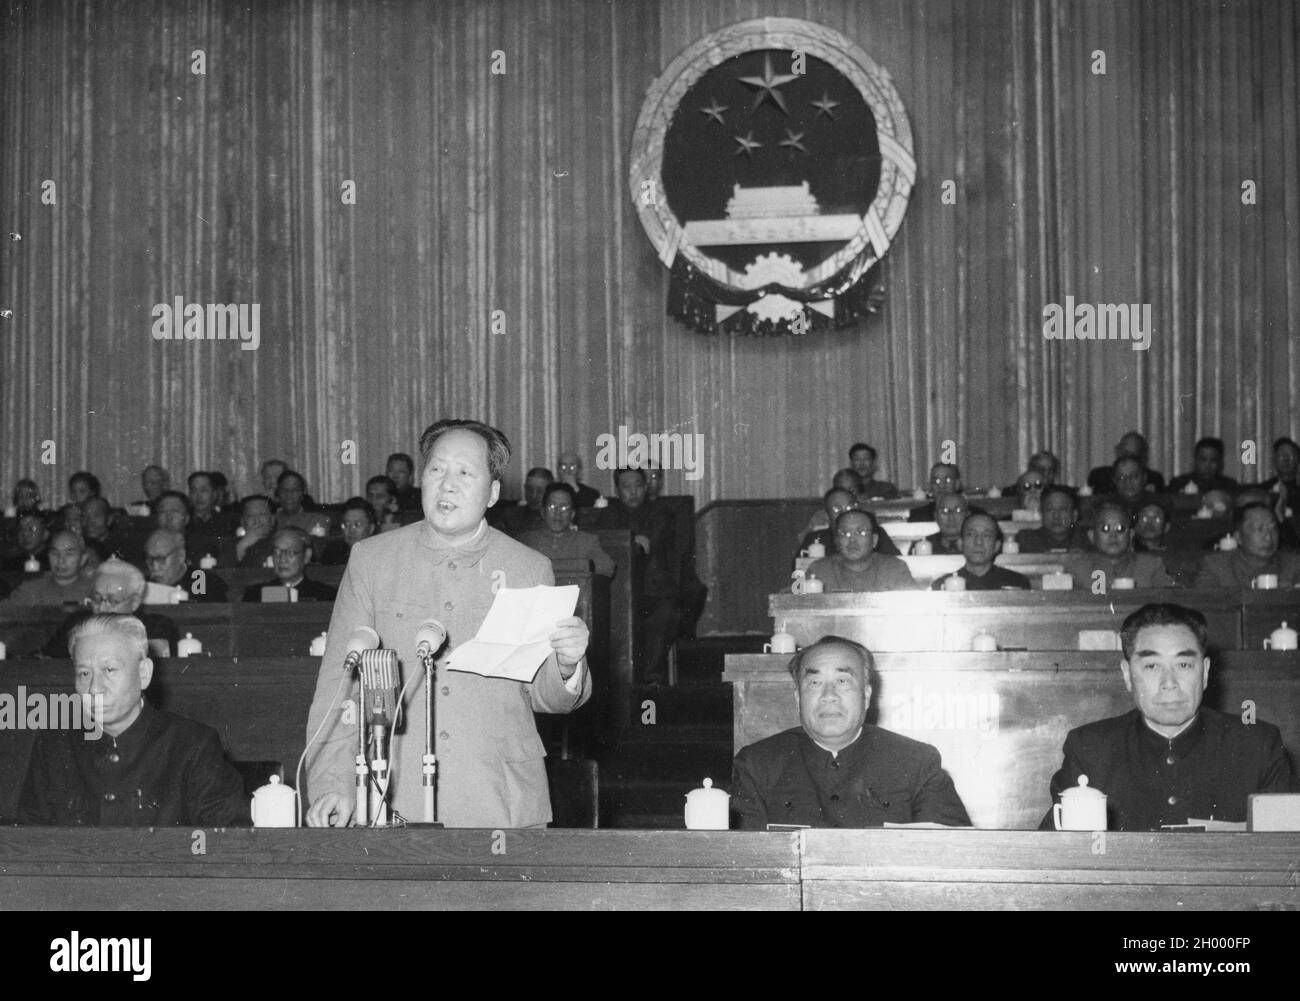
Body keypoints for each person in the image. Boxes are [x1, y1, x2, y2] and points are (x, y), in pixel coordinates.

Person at [304, 418, 592, 829]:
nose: (448, 484)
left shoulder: (529, 568)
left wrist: (568, 665)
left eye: (465, 472)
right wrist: (333, 782)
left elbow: (547, 697)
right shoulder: (372, 560)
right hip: (392, 794)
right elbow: (339, 684)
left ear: (493, 492)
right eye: (437, 469)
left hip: (498, 798)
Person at [1042, 603, 1297, 831]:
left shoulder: (1258, 745)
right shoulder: (1090, 748)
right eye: (1152, 666)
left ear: (1205, 672)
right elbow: (1057, 857)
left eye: (1184, 665)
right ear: (1128, 675)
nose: (1169, 683)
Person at [17, 614, 249, 827]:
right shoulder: (54, 744)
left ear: (144, 673)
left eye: (109, 669)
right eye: (84, 673)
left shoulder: (192, 744)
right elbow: (28, 841)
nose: (95, 688)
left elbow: (223, 844)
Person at [732, 636, 971, 829]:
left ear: (866, 696)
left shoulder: (916, 761)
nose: (829, 695)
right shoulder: (757, 763)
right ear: (797, 698)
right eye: (814, 683)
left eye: (843, 682)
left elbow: (951, 855)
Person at [591, 467, 679, 680]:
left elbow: (649, 543)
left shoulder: (660, 512)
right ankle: (616, 680)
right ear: (617, 490)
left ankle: (647, 677)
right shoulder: (609, 513)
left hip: (653, 592)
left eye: (638, 486)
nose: (633, 492)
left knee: (665, 614)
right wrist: (634, 539)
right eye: (626, 487)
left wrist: (634, 541)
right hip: (618, 592)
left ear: (646, 486)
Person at [42, 558, 179, 659]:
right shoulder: (77, 622)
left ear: (135, 602)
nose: (102, 607)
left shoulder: (156, 626)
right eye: (97, 599)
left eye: (113, 601)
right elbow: (45, 659)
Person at [1063, 502, 1173, 590]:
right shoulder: (1077, 569)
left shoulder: (1151, 567)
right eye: (1105, 529)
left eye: (1120, 529)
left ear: (1130, 535)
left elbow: (1174, 597)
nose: (1113, 535)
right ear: (1092, 536)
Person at [518, 482, 616, 577]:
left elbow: (608, 567)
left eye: (564, 507)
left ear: (572, 514)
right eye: (552, 506)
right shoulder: (527, 541)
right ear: (543, 511)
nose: (558, 513)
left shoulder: (586, 541)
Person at [806, 510, 918, 592]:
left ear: (874, 540)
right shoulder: (819, 570)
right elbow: (793, 598)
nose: (852, 540)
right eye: (845, 533)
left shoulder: (895, 569)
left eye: (861, 533)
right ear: (837, 541)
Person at [1194, 502, 1300, 588]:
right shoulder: (1216, 567)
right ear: (1239, 537)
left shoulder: (1294, 565)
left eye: (1273, 528)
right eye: (1259, 529)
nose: (1269, 537)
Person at [931, 512, 1030, 590]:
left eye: (986, 536)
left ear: (997, 546)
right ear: (961, 543)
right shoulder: (942, 585)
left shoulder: (1017, 582)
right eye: (971, 535)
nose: (978, 542)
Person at [241, 528, 338, 602]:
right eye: (277, 552)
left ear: (306, 556)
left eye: (290, 552)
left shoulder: (325, 595)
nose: (282, 559)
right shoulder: (254, 595)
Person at [3, 531, 93, 606]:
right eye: (55, 553)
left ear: (83, 559)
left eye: (69, 554)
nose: (60, 560)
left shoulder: (93, 590)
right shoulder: (30, 590)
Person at [142, 529, 228, 603]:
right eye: (150, 559)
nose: (154, 566)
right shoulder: (141, 584)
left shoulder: (203, 582)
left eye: (161, 559)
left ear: (180, 556)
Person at [1087, 431, 1167, 494]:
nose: (1128, 459)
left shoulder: (1154, 478)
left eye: (1133, 456)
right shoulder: (1100, 476)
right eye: (1125, 454)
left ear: (1143, 456)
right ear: (1117, 451)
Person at [1013, 486, 1087, 553]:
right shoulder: (1027, 539)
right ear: (1041, 513)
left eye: (1063, 509)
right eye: (1049, 509)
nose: (1056, 516)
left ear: (1074, 515)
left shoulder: (1083, 539)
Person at [1167, 437, 1238, 494]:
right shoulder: (1179, 483)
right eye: (1203, 460)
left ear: (1220, 462)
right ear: (1195, 460)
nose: (1207, 465)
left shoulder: (1229, 486)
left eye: (1213, 460)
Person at [319, 498, 377, 566]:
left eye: (357, 524)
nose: (351, 530)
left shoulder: (379, 554)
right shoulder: (332, 552)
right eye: (346, 524)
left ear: (371, 528)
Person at [188, 471, 236, 539]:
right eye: (194, 491)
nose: (198, 496)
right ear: (189, 494)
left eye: (203, 490)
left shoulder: (228, 522)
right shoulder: (184, 521)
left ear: (214, 494)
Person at [234, 495, 277, 568]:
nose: (256, 520)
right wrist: (241, 547)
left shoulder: (280, 542)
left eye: (262, 514)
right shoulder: (231, 544)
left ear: (272, 519)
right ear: (242, 521)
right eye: (250, 515)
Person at [1260, 436, 1300, 513]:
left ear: (1298, 459)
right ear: (1274, 460)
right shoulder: (1266, 488)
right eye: (1281, 455)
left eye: (1290, 455)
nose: (1286, 459)